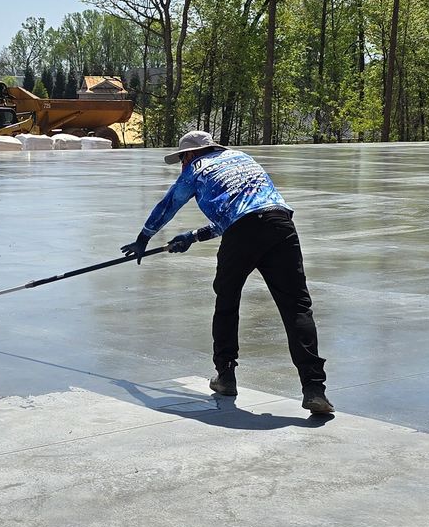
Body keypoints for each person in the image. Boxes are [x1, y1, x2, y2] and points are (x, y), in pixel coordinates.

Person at [122, 130, 332, 418]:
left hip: (244, 231)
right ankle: (314, 389)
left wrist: (143, 238)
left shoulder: (197, 168)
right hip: (280, 224)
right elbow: (245, 211)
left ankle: (225, 376)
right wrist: (193, 236)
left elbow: (170, 204)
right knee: (297, 307)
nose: (182, 164)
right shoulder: (241, 158)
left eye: (182, 158)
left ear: (191, 154)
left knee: (227, 301)